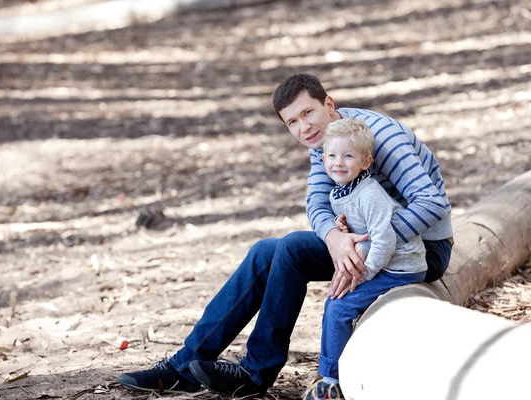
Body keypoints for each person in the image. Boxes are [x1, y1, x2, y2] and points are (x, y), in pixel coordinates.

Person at [117, 73, 453, 399]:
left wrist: (367, 247)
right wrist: (335, 238)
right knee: (266, 252)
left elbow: (431, 202)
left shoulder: (378, 136)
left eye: (308, 113)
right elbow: (317, 204)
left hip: (422, 248)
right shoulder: (326, 142)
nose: (303, 127)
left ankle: (254, 373)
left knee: (292, 248)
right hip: (367, 242)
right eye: (292, 122)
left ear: (329, 104)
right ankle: (184, 368)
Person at [303, 118, 428, 400]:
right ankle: (332, 369)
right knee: (335, 300)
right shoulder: (341, 189)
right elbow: (362, 226)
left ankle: (331, 381)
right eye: (332, 156)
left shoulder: (370, 193)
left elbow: (385, 239)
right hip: (381, 260)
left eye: (348, 156)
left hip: (400, 266)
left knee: (339, 305)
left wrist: (363, 274)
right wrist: (340, 225)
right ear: (323, 159)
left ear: (366, 161)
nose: (338, 162)